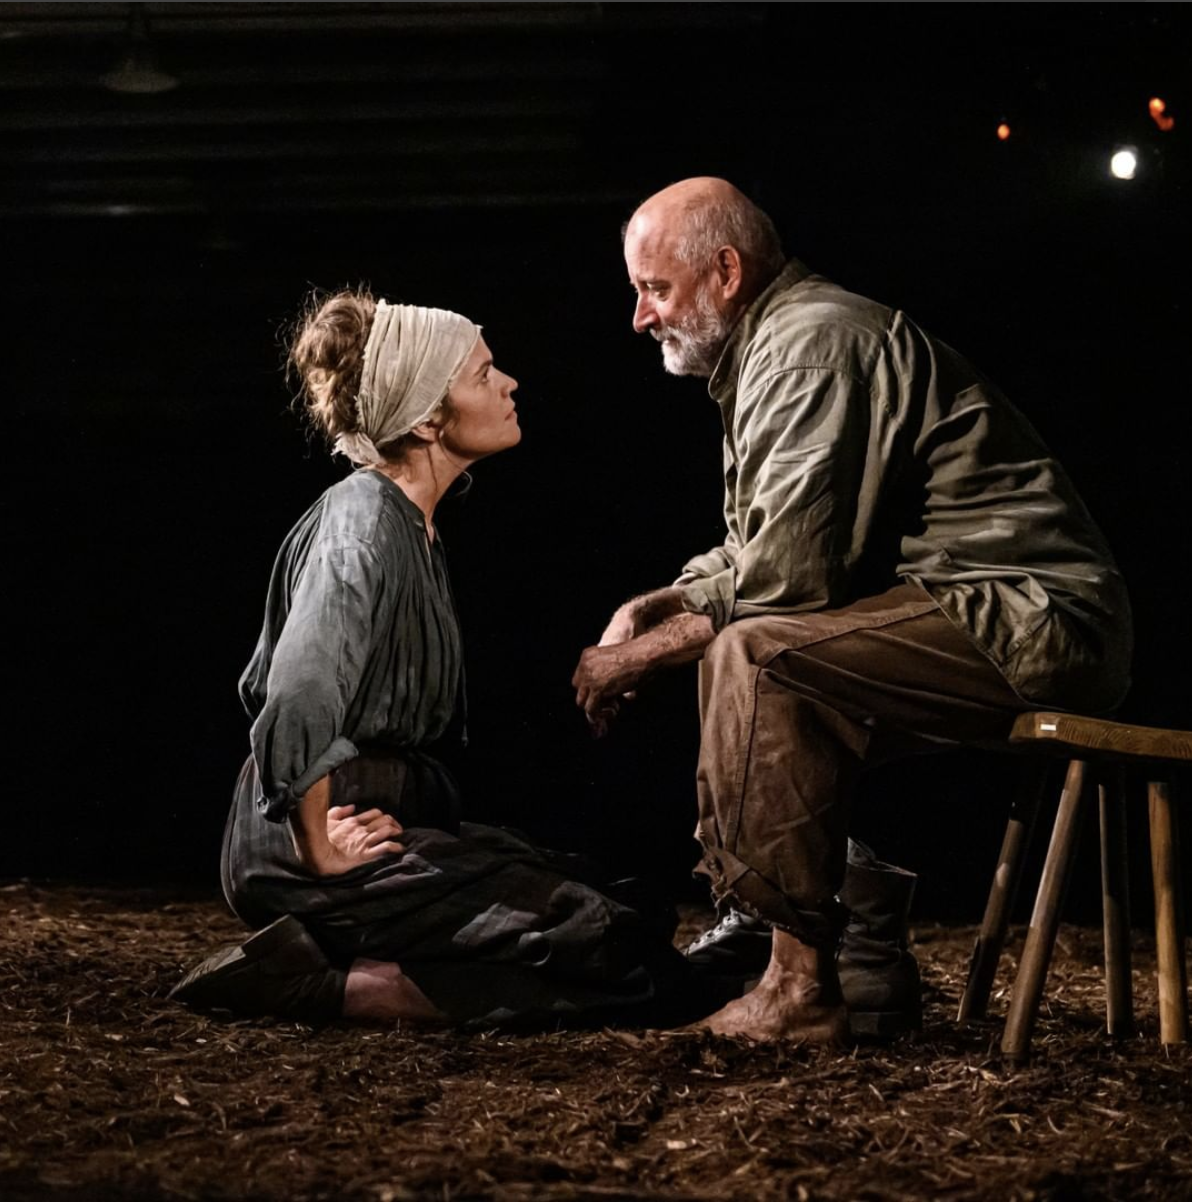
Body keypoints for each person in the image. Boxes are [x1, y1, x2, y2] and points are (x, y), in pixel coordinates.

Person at [571, 177, 1132, 1043]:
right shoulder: (777, 348)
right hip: (974, 608)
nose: (641, 317)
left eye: (656, 289)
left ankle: (800, 985)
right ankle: (858, 943)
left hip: (1030, 619)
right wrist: (655, 604)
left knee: (759, 658)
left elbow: (789, 577)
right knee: (766, 660)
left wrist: (642, 657)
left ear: (725, 270)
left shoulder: (807, 349)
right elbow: (757, 546)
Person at [170, 289, 701, 1029]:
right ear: (426, 417)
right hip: (314, 833)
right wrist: (318, 846)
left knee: (631, 907)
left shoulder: (412, 527)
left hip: (381, 814)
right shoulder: (363, 524)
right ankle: (322, 985)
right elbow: (298, 691)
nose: (509, 383)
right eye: (484, 375)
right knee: (620, 951)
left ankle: (330, 956)